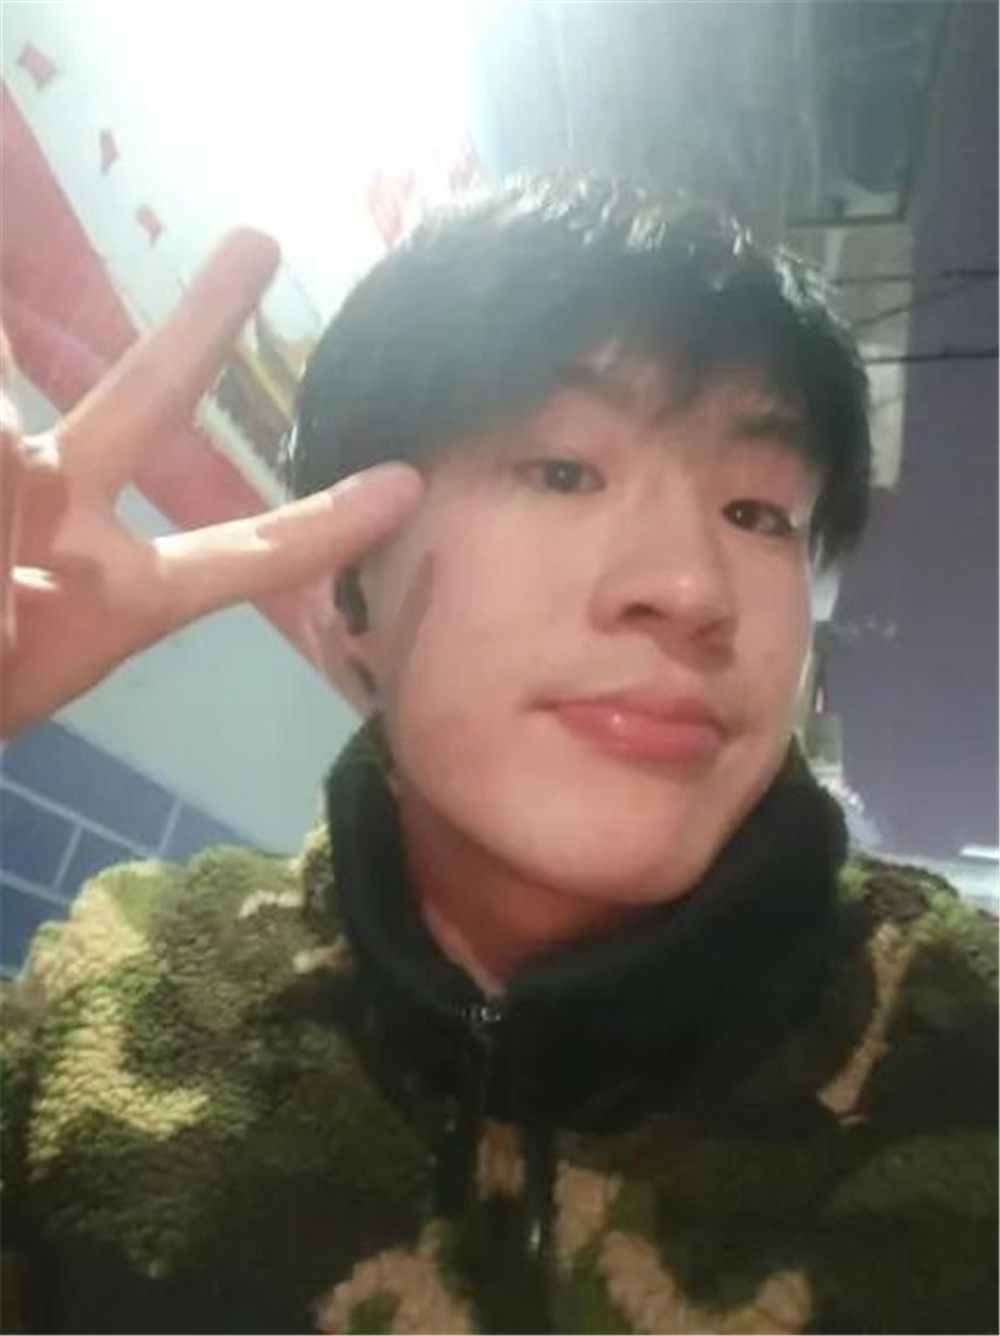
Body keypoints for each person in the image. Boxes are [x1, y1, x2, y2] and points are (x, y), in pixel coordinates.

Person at [1, 177, 995, 1336]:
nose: (689, 587)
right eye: (562, 471)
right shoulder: (116, 989)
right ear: (345, 588)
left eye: (757, 514)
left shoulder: (959, 1042)